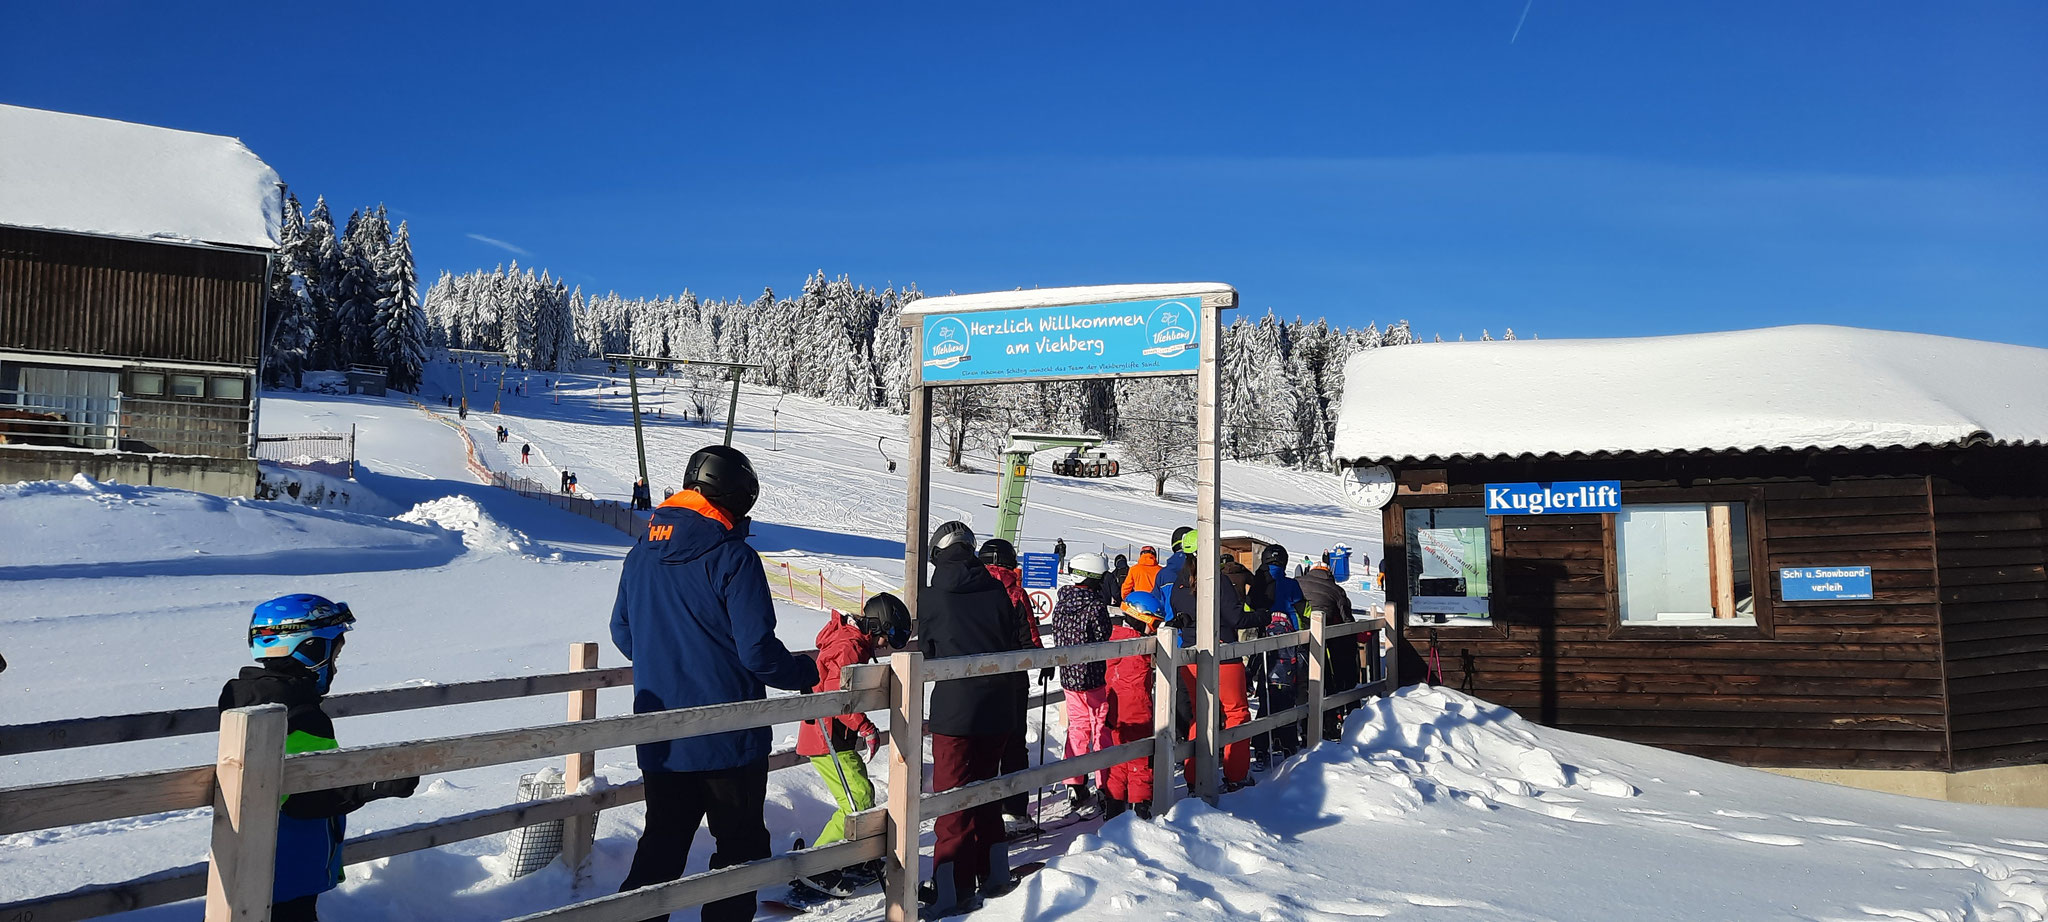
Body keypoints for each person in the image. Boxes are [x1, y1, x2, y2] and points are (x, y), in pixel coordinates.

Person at [611, 445, 819, 922]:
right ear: (737, 497)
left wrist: (668, 661)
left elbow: (624, 633)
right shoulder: (733, 557)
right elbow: (757, 653)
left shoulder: (640, 553)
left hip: (663, 737)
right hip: (730, 739)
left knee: (661, 849)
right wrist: (806, 672)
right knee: (739, 851)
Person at [220, 594, 419, 922]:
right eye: (333, 654)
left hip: (250, 862)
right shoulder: (298, 713)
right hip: (289, 867)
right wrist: (378, 782)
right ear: (310, 649)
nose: (335, 666)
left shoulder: (248, 697)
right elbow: (306, 795)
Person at [921, 521, 1030, 917]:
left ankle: (952, 887)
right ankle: (994, 872)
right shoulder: (999, 590)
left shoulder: (933, 596)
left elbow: (929, 655)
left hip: (956, 711)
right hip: (998, 704)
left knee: (953, 802)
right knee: (988, 790)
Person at [790, 593, 910, 900]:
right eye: (887, 637)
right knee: (856, 800)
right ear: (876, 626)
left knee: (861, 795)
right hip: (826, 737)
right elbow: (837, 695)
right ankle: (818, 864)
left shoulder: (852, 641)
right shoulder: (849, 646)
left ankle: (852, 855)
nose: (885, 647)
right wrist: (866, 727)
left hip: (832, 735)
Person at [1170, 552, 1259, 791]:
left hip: (1191, 653)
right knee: (1237, 713)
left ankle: (1194, 778)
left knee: (1201, 714)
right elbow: (1235, 617)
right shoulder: (1216, 580)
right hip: (1222, 653)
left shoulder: (1179, 583)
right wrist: (1262, 617)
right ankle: (1236, 774)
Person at [976, 537, 1040, 833]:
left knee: (982, 744)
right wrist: (1043, 660)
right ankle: (1014, 811)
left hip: (975, 679)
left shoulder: (970, 588)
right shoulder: (1015, 592)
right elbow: (1029, 637)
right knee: (1014, 744)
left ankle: (980, 810)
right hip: (1012, 679)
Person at [1049, 552, 1112, 818]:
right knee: (1100, 726)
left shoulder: (1062, 603)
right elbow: (1103, 633)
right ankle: (1105, 781)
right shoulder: (1095, 606)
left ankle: (1074, 782)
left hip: (1070, 678)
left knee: (1077, 727)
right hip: (1093, 676)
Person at [1102, 593, 1164, 820]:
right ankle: (1141, 811)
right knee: (1140, 763)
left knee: (1118, 762)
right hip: (1137, 711)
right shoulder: (1141, 645)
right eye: (1154, 623)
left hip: (1115, 709)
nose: (1156, 630)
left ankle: (1114, 809)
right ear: (1141, 617)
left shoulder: (1115, 637)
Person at [1299, 560, 1360, 741]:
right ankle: (1332, 723)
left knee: (1305, 684)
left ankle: (1303, 726)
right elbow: (1347, 619)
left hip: (1299, 640)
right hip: (1328, 643)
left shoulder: (1298, 582)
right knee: (1330, 683)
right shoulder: (1336, 589)